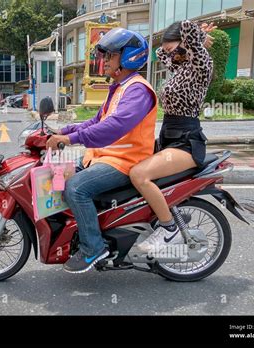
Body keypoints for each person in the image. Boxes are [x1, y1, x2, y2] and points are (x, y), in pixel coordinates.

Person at [46, 28, 157, 273]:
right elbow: (95, 122)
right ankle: (84, 229)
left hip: (126, 160)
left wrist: (70, 138)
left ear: (129, 57)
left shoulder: (137, 90)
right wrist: (63, 130)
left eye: (110, 56)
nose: (104, 61)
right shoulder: (120, 88)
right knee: (58, 175)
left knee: (75, 188)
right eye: (104, 56)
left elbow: (112, 128)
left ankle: (93, 247)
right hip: (105, 157)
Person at [129, 20, 216, 255]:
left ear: (187, 44)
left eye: (174, 49)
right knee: (130, 166)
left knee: (139, 174)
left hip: (186, 141)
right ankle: (162, 217)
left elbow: (187, 28)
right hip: (168, 137)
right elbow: (159, 51)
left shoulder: (201, 65)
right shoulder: (180, 66)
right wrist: (176, 49)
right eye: (170, 51)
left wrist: (196, 36)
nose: (170, 54)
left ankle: (169, 230)